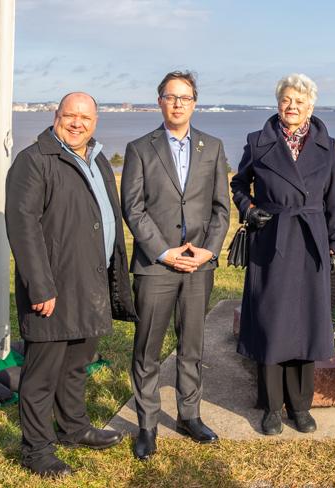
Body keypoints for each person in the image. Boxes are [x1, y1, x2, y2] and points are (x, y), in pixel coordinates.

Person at [5, 92, 137, 478]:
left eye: (86, 118)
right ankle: (36, 450)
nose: (77, 123)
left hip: (90, 282)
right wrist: (41, 286)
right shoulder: (34, 161)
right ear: (56, 116)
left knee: (78, 364)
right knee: (42, 375)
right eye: (70, 115)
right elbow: (23, 227)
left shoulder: (96, 159)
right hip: (54, 288)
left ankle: (74, 428)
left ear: (95, 123)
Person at [120, 71, 231, 460]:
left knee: (192, 345)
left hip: (199, 266)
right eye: (171, 96)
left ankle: (189, 416)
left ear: (195, 102)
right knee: (147, 348)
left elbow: (221, 208)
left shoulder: (213, 147)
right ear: (160, 102)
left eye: (185, 97)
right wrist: (164, 252)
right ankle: (147, 425)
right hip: (155, 266)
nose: (178, 103)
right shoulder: (139, 148)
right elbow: (132, 208)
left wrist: (209, 251)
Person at [230, 73, 335, 436]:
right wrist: (249, 210)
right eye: (286, 100)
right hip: (272, 239)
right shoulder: (258, 142)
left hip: (311, 240)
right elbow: (238, 184)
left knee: (307, 322)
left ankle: (300, 406)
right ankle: (270, 407)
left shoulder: (327, 146)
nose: (291, 106)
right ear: (278, 103)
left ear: (311, 105)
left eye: (299, 101)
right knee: (272, 321)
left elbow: (333, 202)